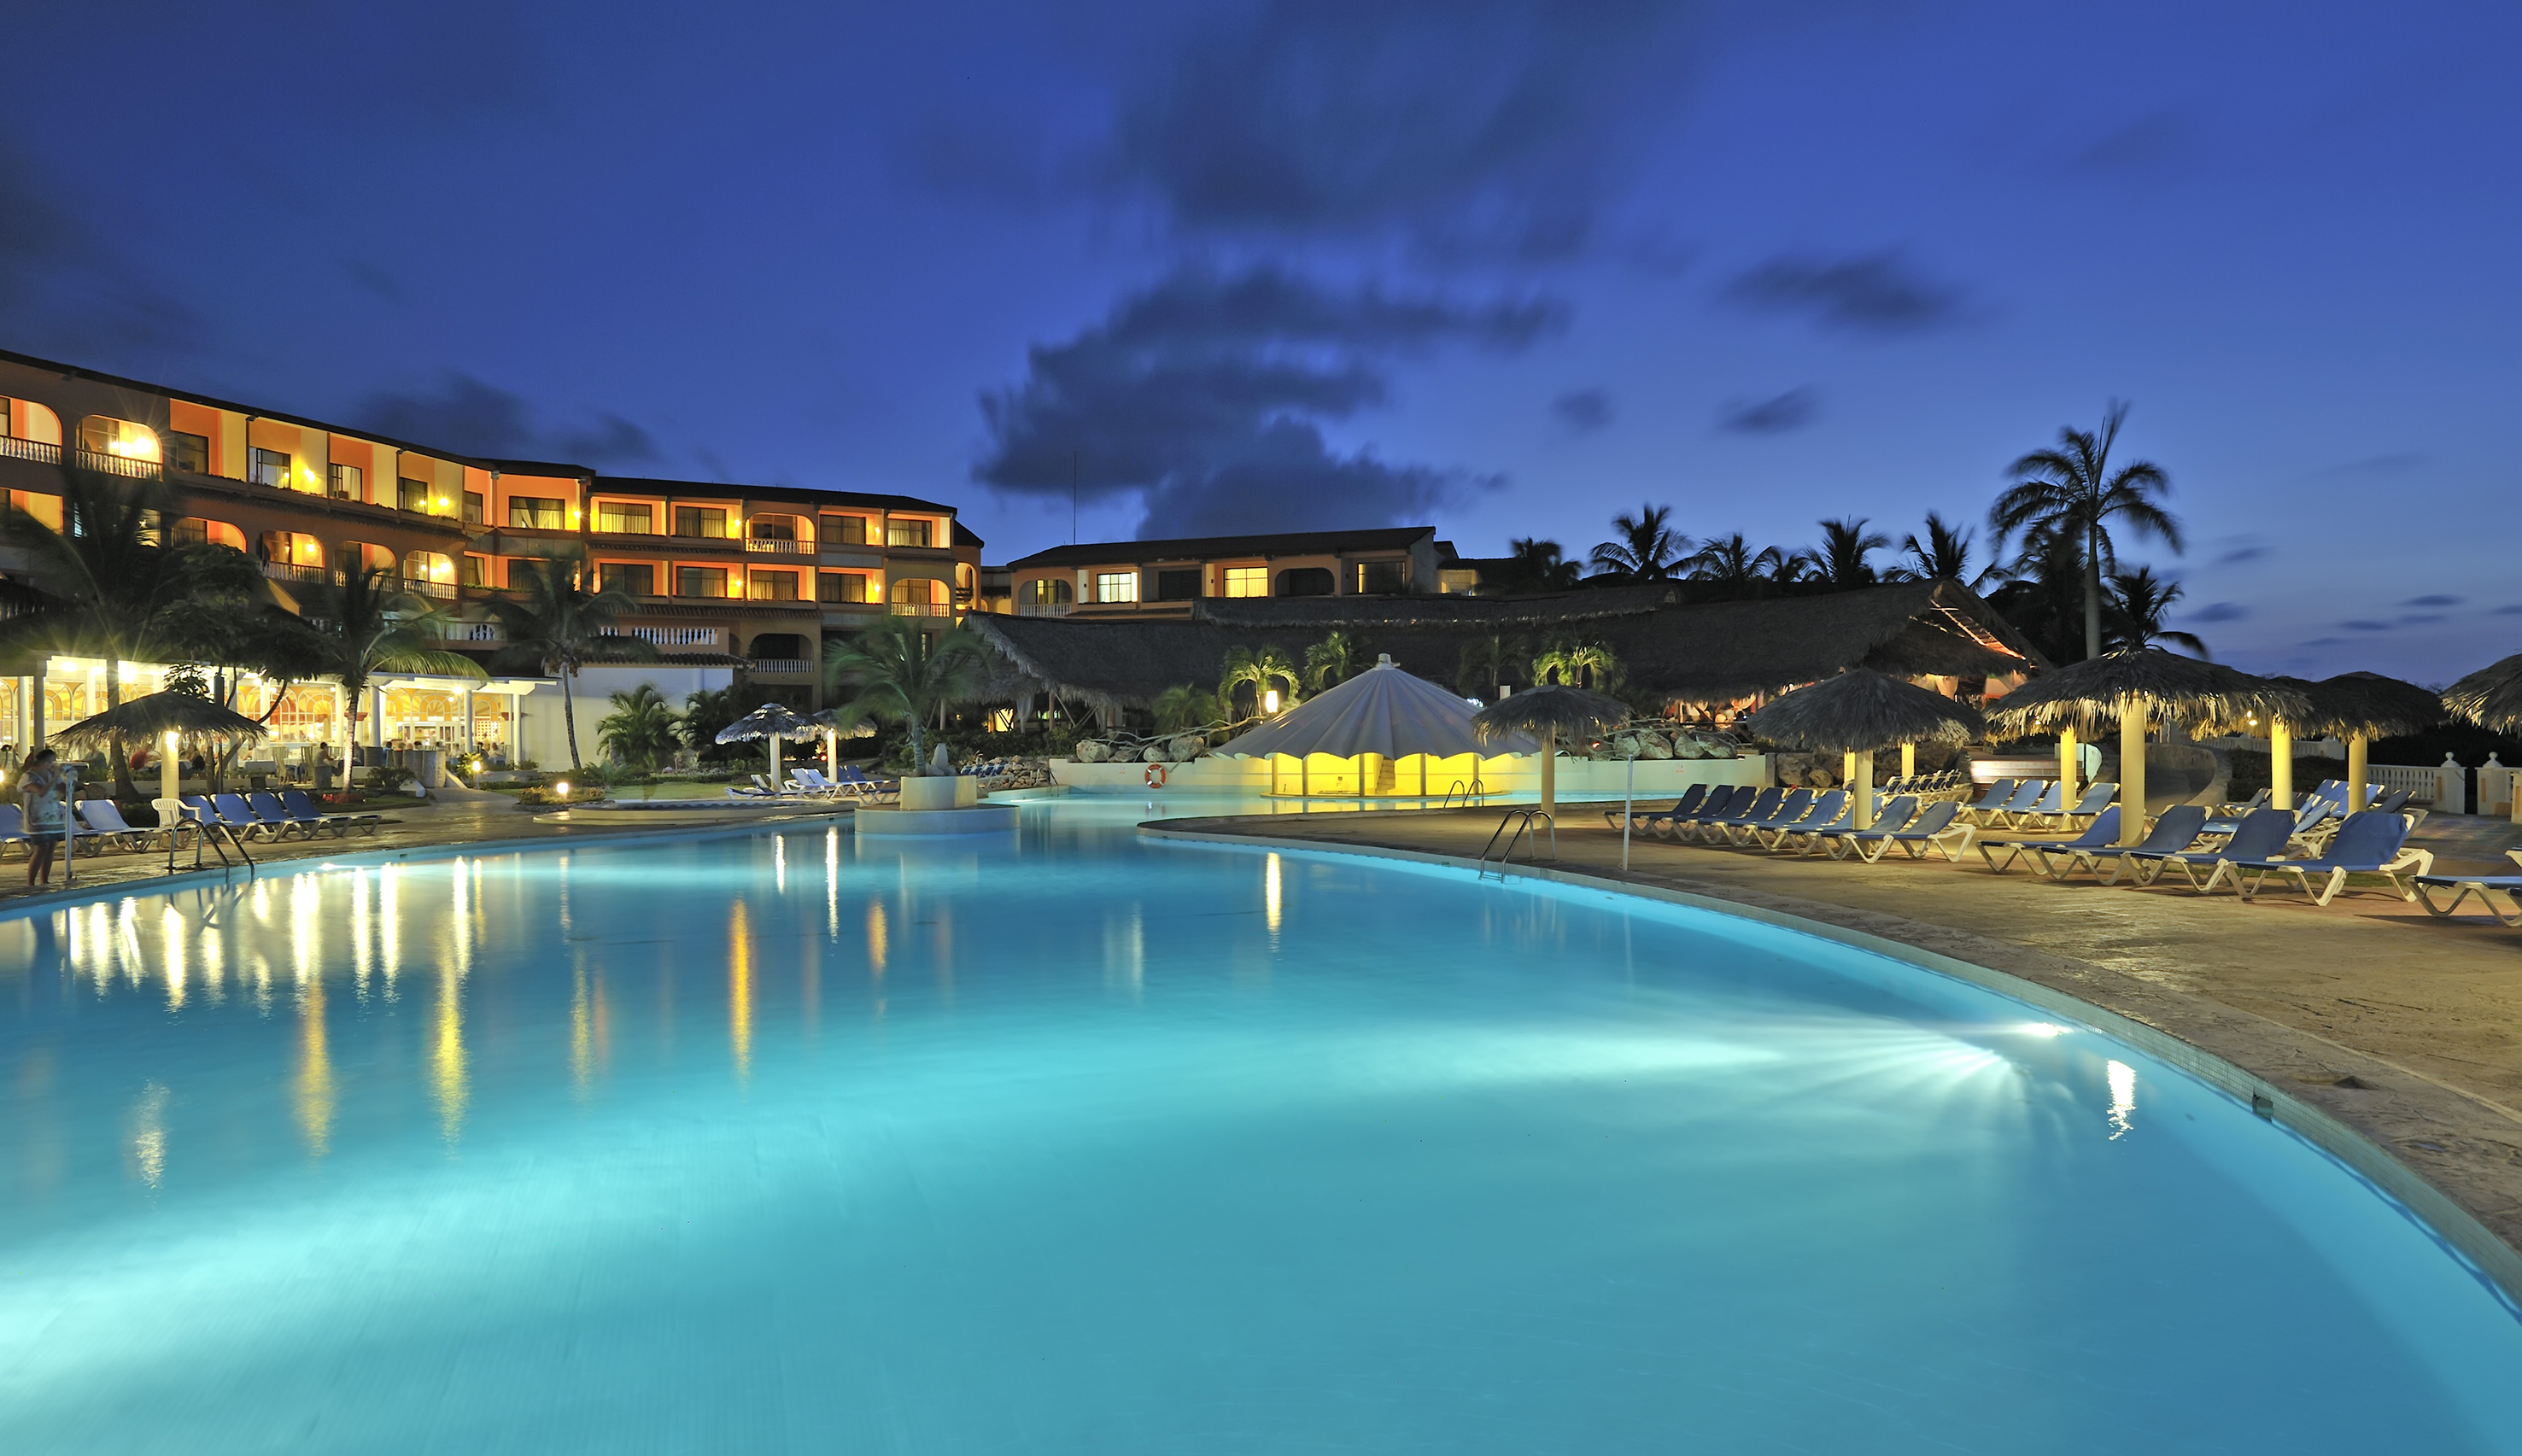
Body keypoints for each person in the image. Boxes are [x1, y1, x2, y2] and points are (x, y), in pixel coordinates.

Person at [20, 747, 67, 888]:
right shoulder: (29, 777)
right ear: (41, 762)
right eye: (50, 762)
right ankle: (30, 882)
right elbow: (41, 792)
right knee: (41, 847)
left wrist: (65, 779)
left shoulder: (52, 775)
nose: (52, 765)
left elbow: (62, 790)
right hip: (37, 817)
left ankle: (44, 880)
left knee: (51, 846)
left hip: (53, 815)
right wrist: (55, 777)